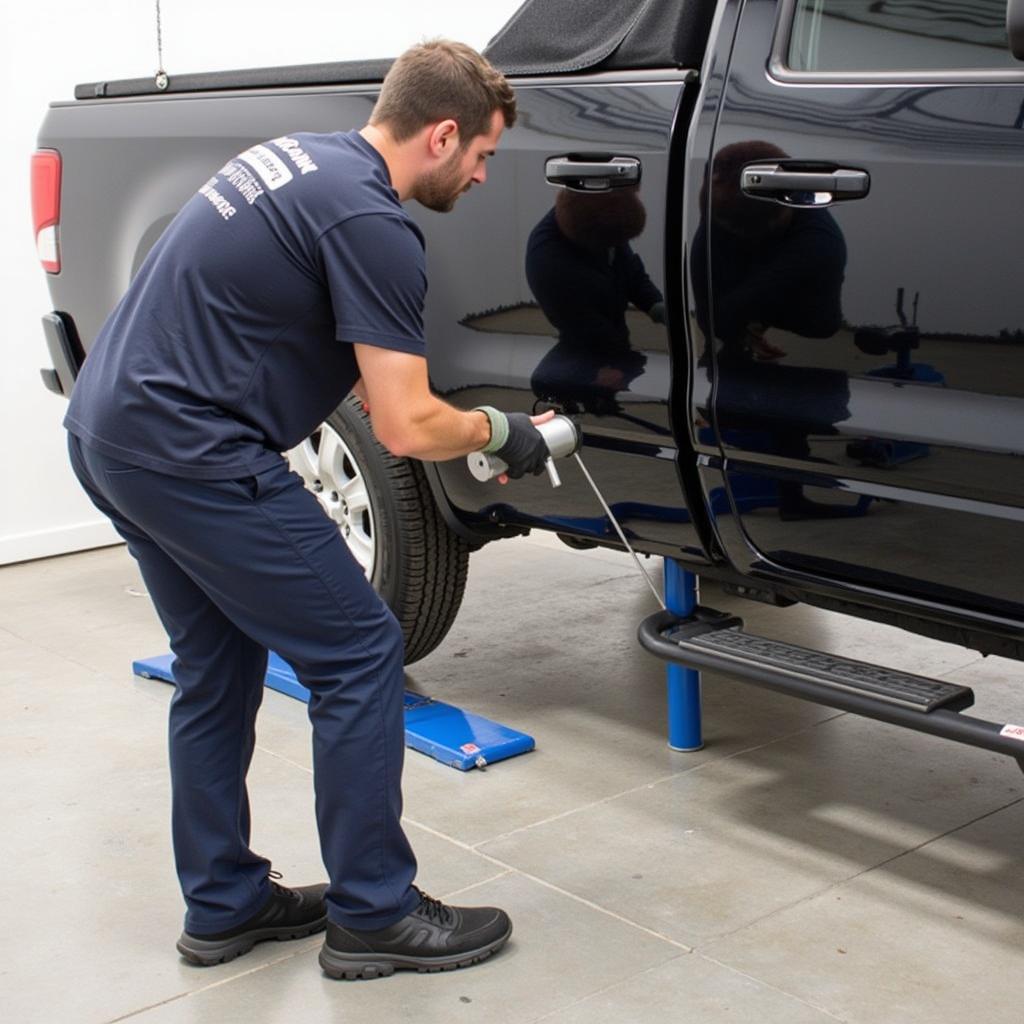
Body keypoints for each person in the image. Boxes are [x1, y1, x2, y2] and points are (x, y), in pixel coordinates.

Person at [63, 40, 550, 981]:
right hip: (189, 451)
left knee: (216, 660)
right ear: (442, 134)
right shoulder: (374, 224)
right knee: (360, 650)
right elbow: (407, 428)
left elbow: (309, 341)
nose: (483, 175)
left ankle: (225, 902)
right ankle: (375, 911)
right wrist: (500, 429)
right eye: (483, 155)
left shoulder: (303, 159)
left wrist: (437, 419)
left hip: (109, 430)